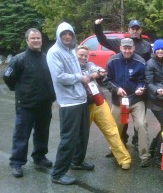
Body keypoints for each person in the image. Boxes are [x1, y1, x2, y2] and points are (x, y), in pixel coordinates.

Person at [3, 28, 56, 178]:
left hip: (44, 104)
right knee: (21, 135)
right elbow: (8, 77)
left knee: (42, 132)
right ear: (27, 40)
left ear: (41, 40)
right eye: (33, 38)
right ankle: (17, 163)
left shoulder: (47, 58)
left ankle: (39, 157)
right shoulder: (18, 59)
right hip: (25, 105)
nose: (36, 40)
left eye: (38, 38)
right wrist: (19, 90)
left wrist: (51, 97)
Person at [47, 22, 94, 185]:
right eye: (63, 34)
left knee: (83, 134)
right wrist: (80, 78)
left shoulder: (71, 51)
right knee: (68, 138)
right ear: (59, 36)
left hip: (80, 99)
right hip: (68, 103)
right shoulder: (54, 52)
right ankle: (58, 174)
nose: (67, 36)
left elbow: (79, 70)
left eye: (70, 34)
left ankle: (77, 161)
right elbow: (59, 77)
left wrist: (89, 74)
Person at [94, 18, 152, 148]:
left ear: (140, 30)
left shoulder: (146, 45)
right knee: (121, 121)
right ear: (129, 30)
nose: (135, 31)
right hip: (122, 92)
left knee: (140, 122)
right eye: (133, 28)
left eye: (137, 28)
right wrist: (97, 27)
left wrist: (144, 87)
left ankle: (137, 142)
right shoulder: (119, 43)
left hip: (138, 91)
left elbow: (149, 68)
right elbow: (103, 40)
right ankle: (121, 142)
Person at [76, 45, 132, 170]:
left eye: (85, 55)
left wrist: (100, 71)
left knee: (111, 129)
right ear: (75, 55)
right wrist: (92, 76)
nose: (83, 57)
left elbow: (97, 69)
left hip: (99, 102)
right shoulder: (72, 67)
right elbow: (78, 79)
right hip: (83, 105)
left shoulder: (90, 65)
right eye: (80, 55)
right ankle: (76, 160)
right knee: (81, 134)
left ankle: (124, 159)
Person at [105, 37, 151, 167]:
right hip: (119, 100)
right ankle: (114, 150)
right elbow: (107, 80)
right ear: (120, 48)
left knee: (142, 124)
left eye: (129, 48)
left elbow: (143, 80)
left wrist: (140, 88)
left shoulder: (140, 61)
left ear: (133, 48)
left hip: (136, 100)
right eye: (124, 48)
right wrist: (116, 89)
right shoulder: (112, 61)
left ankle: (145, 155)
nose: (127, 50)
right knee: (114, 127)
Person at [145, 39, 163, 160]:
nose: (160, 51)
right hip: (155, 100)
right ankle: (159, 154)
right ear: (154, 51)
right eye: (158, 49)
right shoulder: (150, 63)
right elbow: (149, 82)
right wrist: (156, 90)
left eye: (162, 49)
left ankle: (153, 147)